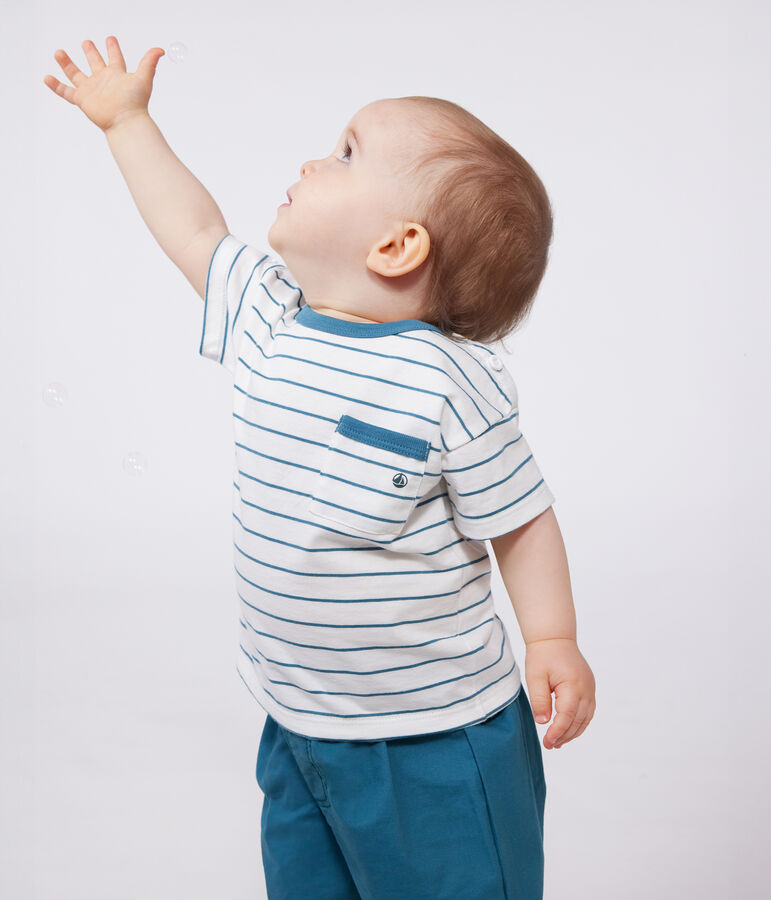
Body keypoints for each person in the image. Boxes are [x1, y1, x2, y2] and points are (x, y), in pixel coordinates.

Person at [44, 36, 597, 900]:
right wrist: (127, 123)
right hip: (300, 722)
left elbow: (519, 519)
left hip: (435, 739)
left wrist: (551, 637)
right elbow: (192, 227)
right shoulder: (269, 320)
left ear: (395, 246)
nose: (310, 158)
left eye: (345, 153)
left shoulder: (449, 380)